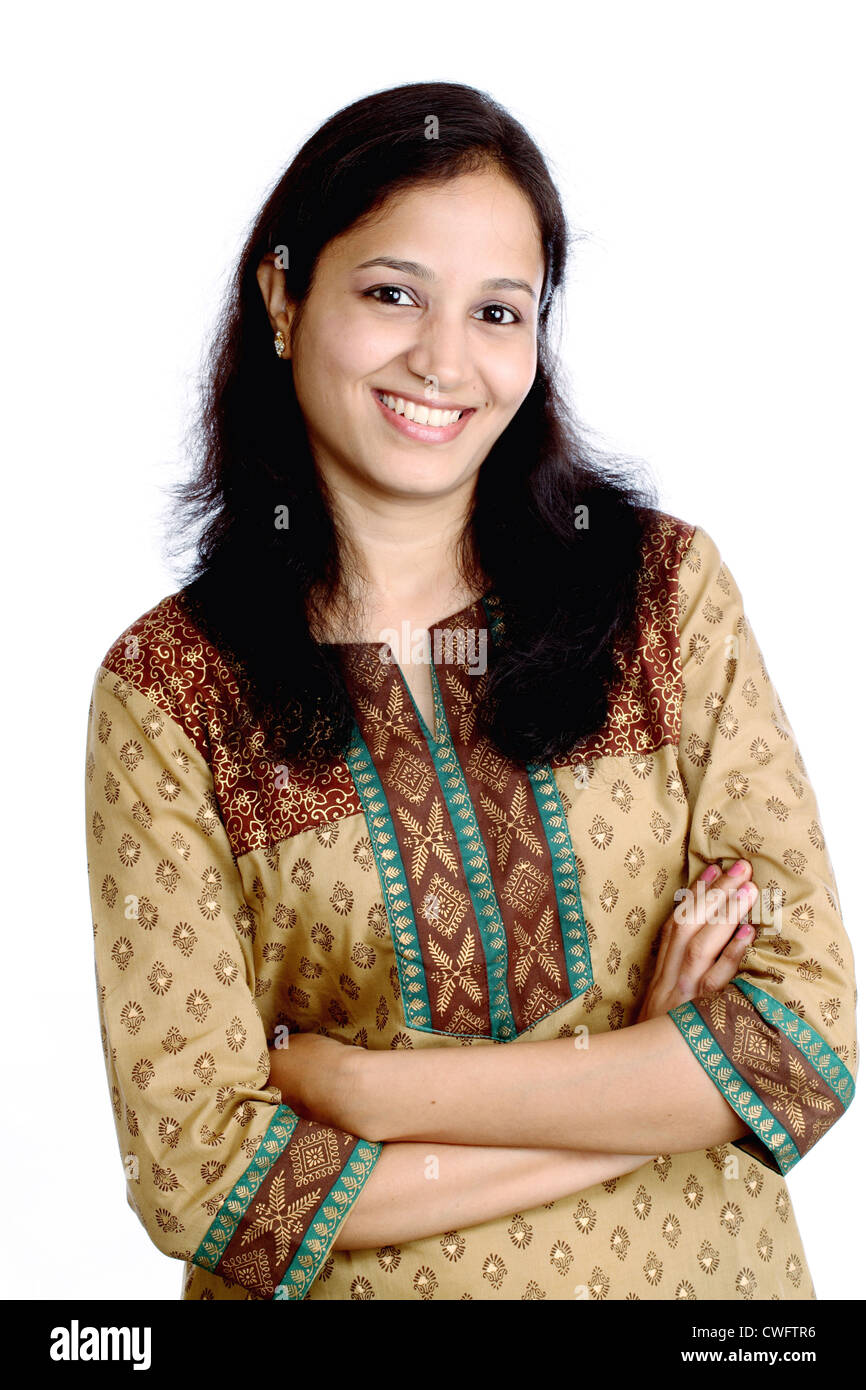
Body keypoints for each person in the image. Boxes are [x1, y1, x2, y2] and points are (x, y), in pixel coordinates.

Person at [84, 80, 856, 1301]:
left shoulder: (661, 595)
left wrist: (372, 1091)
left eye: (497, 311)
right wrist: (640, 1081)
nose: (443, 361)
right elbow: (206, 1181)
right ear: (284, 298)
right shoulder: (175, 691)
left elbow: (796, 1049)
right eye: (391, 293)